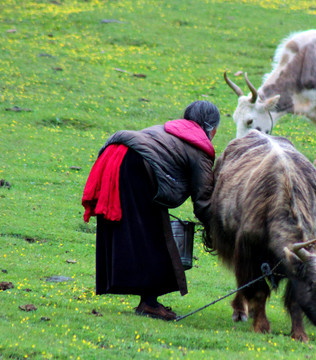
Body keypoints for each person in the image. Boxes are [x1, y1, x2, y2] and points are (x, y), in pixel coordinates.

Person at [82, 100, 220, 321]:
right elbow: (203, 201)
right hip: (135, 164)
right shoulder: (199, 147)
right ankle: (149, 304)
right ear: (212, 129)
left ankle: (148, 300)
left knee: (137, 231)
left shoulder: (169, 129)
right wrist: (217, 231)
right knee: (154, 234)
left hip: (114, 155)